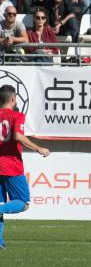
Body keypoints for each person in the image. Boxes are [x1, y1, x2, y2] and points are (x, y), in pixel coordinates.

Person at [0, 85, 50, 249]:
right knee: (24, 202)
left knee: (2, 206)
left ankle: (0, 243)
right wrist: (39, 148)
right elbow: (18, 136)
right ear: (13, 99)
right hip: (11, 166)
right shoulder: (16, 115)